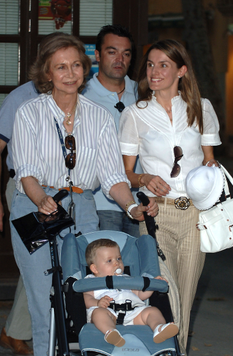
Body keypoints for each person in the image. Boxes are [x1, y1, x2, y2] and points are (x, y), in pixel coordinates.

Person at [9, 33, 158, 356]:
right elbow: (25, 169)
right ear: (46, 71)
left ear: (85, 68)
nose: (70, 73)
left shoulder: (98, 116)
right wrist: (41, 197)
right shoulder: (30, 112)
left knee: (85, 300)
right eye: (61, 66)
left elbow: (113, 178)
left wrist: (132, 208)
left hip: (82, 209)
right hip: (35, 209)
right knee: (46, 306)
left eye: (76, 65)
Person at [118, 39, 222, 349]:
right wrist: (145, 178)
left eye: (164, 65)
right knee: (167, 299)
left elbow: (210, 163)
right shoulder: (135, 114)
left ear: (182, 70)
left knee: (183, 307)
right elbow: (124, 174)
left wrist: (212, 176)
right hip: (155, 216)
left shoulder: (201, 108)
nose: (154, 71)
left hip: (194, 216)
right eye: (150, 64)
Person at [0, 78, 39, 355]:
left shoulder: (71, 96)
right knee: (36, 262)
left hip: (58, 193)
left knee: (40, 262)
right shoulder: (20, 97)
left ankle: (13, 330)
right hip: (21, 191)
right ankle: (15, 331)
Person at [83, 24, 142, 237]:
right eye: (112, 52)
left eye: (126, 54)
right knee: (105, 268)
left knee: (142, 267)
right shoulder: (82, 97)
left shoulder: (142, 93)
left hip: (140, 201)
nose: (120, 59)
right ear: (97, 55)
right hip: (100, 203)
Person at [84, 238, 178, 346]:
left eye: (119, 258)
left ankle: (159, 328)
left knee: (152, 311)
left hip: (133, 313)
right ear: (94, 268)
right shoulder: (91, 281)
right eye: (109, 261)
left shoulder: (127, 278)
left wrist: (152, 285)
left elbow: (139, 294)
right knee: (98, 313)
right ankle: (110, 332)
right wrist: (97, 303)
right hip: (109, 313)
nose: (116, 263)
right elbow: (86, 297)